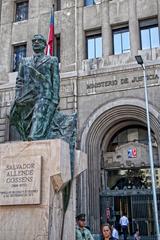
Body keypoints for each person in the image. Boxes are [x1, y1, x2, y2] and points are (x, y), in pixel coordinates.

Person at [10, 34, 60, 140]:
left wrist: (55, 98)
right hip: (28, 95)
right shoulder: (24, 61)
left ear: (44, 45)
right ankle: (27, 135)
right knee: (18, 117)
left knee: (38, 114)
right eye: (34, 41)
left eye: (39, 41)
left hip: (44, 94)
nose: (36, 42)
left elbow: (55, 80)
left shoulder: (52, 60)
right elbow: (20, 81)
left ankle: (34, 137)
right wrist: (18, 96)